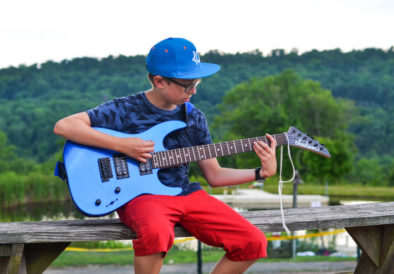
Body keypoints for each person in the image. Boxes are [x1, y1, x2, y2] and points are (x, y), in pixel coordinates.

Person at [54, 37, 277, 274]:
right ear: (159, 81)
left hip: (185, 194)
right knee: (157, 232)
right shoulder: (125, 109)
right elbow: (64, 126)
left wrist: (260, 173)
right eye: (186, 84)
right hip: (142, 195)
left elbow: (215, 175)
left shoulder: (194, 117)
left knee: (253, 241)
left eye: (197, 83)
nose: (193, 90)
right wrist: (122, 145)